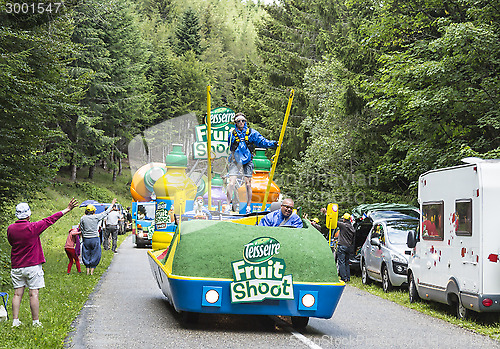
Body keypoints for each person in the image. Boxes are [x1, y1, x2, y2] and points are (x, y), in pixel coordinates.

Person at [7, 198, 79, 327]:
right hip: (33, 266)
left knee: (17, 294)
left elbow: (11, 243)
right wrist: (67, 209)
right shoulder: (33, 227)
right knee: (33, 294)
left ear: (17, 215)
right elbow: (50, 219)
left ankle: (15, 321)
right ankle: (35, 322)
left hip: (17, 266)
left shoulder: (11, 229)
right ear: (28, 214)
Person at [226, 113, 278, 214]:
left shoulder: (251, 133)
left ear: (245, 121)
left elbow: (262, 141)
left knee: (248, 183)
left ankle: (248, 206)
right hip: (235, 160)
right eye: (239, 121)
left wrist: (273, 144)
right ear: (235, 122)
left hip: (247, 160)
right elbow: (230, 146)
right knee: (231, 183)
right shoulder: (232, 134)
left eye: (243, 121)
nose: (241, 123)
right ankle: (228, 204)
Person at [79, 198, 117, 275]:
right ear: (93, 211)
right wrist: (112, 204)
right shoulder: (96, 217)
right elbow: (106, 213)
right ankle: (92, 272)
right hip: (94, 238)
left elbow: (81, 228)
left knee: (86, 254)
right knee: (95, 254)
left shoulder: (83, 218)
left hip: (86, 239)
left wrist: (84, 235)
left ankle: (87, 271)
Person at [336, 213, 356, 282]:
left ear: (344, 219)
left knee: (341, 262)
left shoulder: (343, 225)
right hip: (348, 247)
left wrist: (327, 214)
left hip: (342, 246)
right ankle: (348, 277)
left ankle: (343, 278)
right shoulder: (352, 228)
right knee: (347, 263)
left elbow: (335, 222)